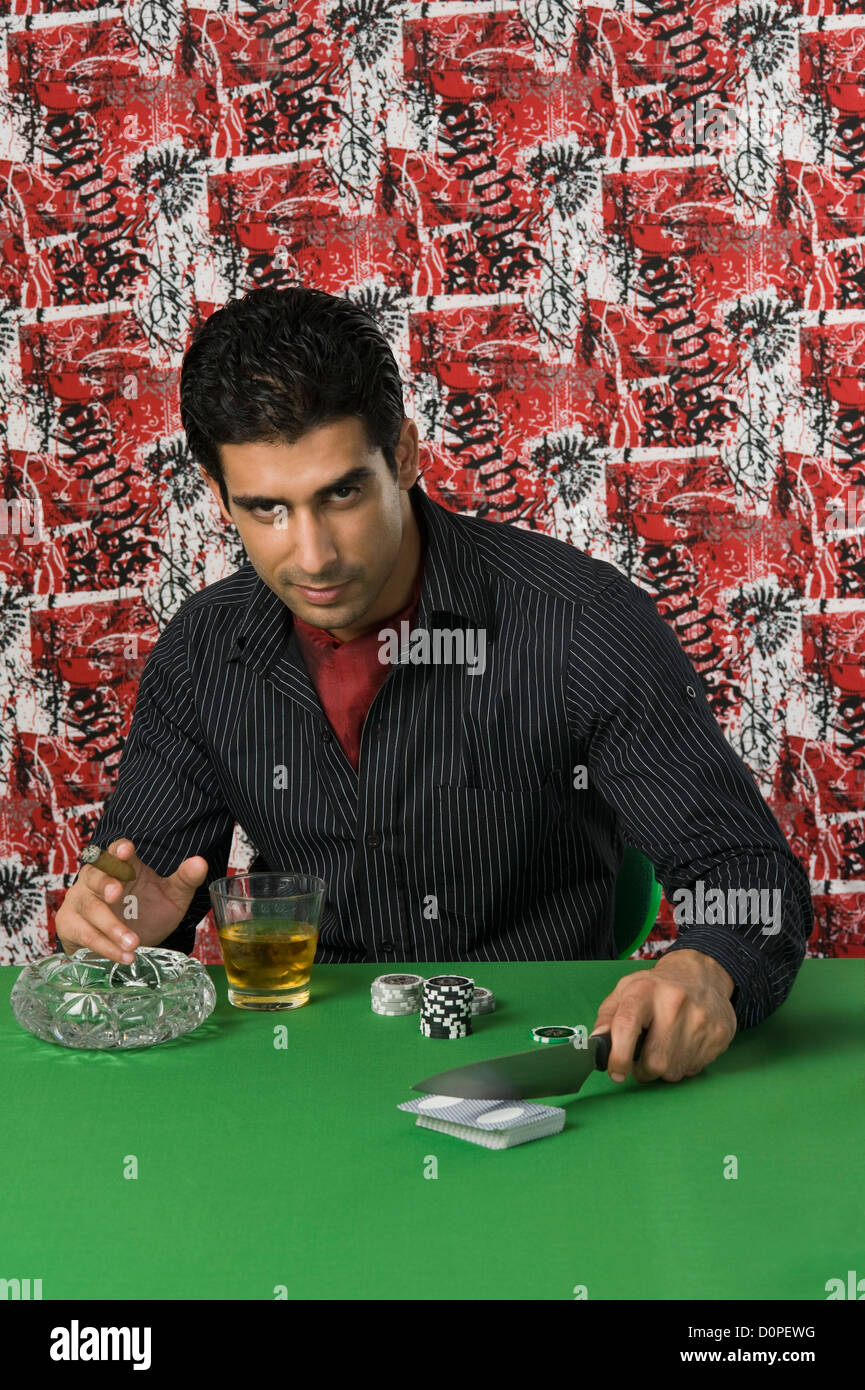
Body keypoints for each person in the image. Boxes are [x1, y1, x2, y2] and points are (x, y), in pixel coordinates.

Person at [54, 287, 813, 1085]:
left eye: (340, 493)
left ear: (406, 456)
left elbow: (745, 872)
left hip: (545, 1071)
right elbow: (136, 910)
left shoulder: (577, 622)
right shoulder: (204, 650)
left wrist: (704, 967)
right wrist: (119, 932)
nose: (311, 555)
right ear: (220, 498)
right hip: (304, 1076)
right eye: (267, 509)